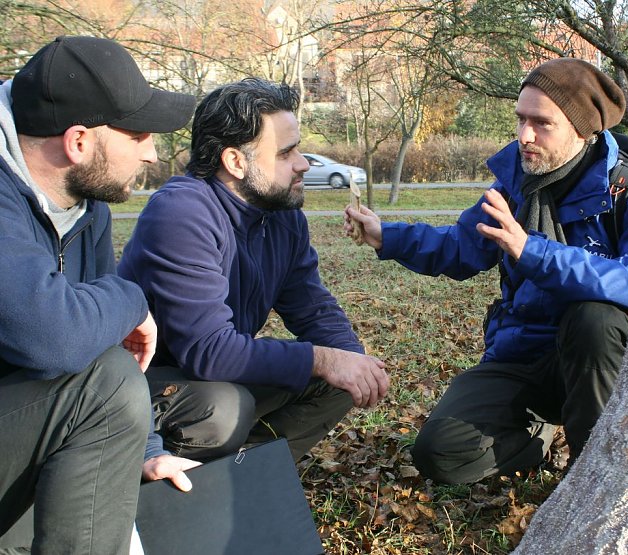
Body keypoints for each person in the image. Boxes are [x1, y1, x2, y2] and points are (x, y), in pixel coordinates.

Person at [345, 58, 628, 484]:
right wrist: (385, 235)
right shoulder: (513, 187)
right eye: (520, 119)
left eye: (541, 123)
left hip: (594, 365)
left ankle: (593, 478)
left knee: (596, 317)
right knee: (439, 453)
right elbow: (459, 246)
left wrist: (529, 250)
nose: (524, 136)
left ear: (583, 130)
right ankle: (538, 435)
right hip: (520, 355)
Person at [118, 78, 389, 463]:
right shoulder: (182, 213)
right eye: (285, 153)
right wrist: (325, 360)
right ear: (235, 162)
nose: (302, 164)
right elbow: (208, 353)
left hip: (213, 379)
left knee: (337, 378)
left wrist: (352, 361)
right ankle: (167, 481)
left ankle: (247, 472)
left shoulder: (281, 213)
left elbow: (310, 304)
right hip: (140, 387)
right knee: (224, 407)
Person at [0, 36, 199, 554]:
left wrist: (145, 451)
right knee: (107, 383)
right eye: (138, 133)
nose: (154, 151)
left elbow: (95, 342)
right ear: (79, 142)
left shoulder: (86, 207)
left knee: (109, 377)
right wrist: (132, 298)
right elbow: (54, 337)